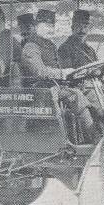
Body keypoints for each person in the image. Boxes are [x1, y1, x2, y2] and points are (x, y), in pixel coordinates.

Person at [18, 12, 97, 142]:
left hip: (54, 86)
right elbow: (39, 72)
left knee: (89, 92)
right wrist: (63, 73)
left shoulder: (50, 45)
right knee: (76, 95)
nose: (50, 29)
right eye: (46, 26)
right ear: (37, 27)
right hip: (40, 90)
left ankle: (102, 129)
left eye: (52, 26)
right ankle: (92, 137)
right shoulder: (31, 47)